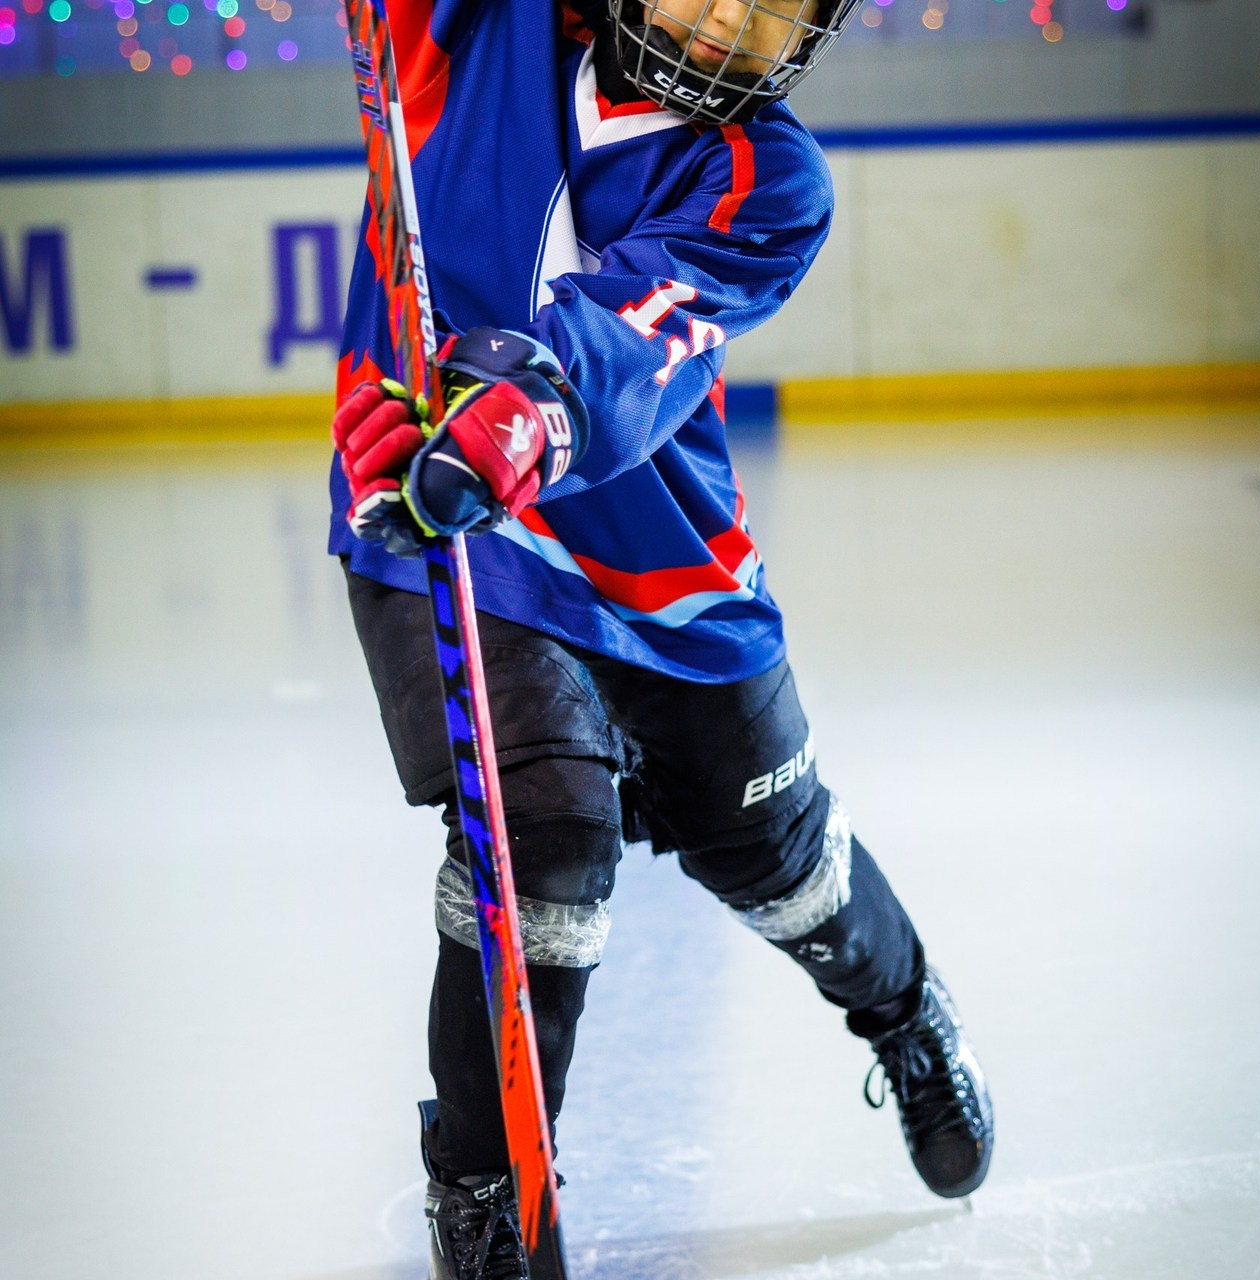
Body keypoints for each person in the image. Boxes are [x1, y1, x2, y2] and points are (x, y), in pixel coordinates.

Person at [330, 2, 994, 1275]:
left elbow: (629, 327)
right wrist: (449, 436)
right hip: (442, 516)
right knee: (544, 833)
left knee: (783, 863)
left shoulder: (769, 176)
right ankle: (482, 1188)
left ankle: (904, 1012)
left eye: (772, 6)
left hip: (663, 570)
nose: (726, 25)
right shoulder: (475, 30)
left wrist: (523, 412)